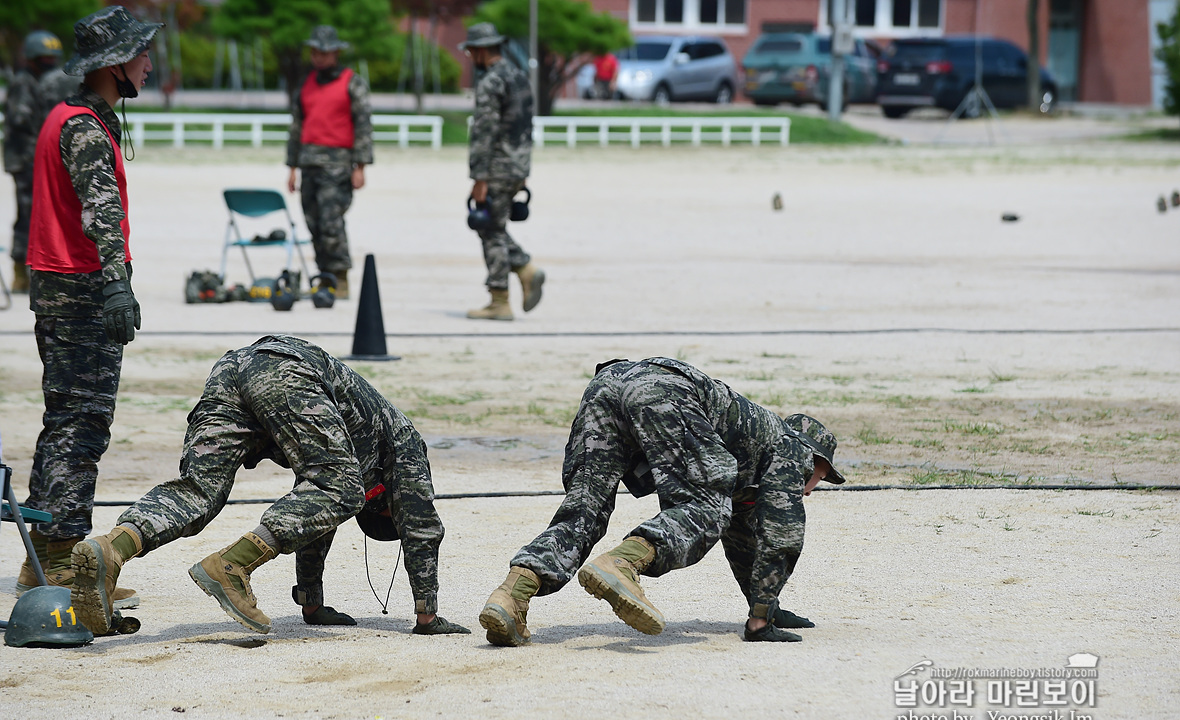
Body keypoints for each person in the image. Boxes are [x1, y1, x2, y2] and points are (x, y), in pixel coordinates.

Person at [70, 335, 470, 640]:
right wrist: (428, 614)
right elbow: (422, 528)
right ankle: (233, 564)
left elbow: (313, 515)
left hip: (232, 370)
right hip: (289, 370)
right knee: (342, 490)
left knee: (198, 490)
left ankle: (111, 547)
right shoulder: (404, 444)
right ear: (387, 509)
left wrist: (313, 606)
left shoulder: (351, 457)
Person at [479, 357, 845, 647]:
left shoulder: (753, 453)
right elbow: (783, 532)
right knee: (705, 506)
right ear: (814, 459)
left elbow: (742, 537)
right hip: (662, 389)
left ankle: (511, 596)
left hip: (608, 385)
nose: (812, 487)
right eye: (821, 475)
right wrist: (760, 623)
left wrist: (766, 605)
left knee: (584, 508)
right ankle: (621, 564)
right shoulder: (792, 446)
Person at [17, 7, 162, 612]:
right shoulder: (82, 126)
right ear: (113, 65)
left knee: (65, 422)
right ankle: (59, 561)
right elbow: (99, 210)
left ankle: (43, 557)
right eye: (141, 55)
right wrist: (115, 286)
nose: (149, 64)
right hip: (78, 289)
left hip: (60, 285)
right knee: (82, 426)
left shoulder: (69, 115)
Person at [459, 22, 544, 321]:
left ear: (482, 50)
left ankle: (501, 298)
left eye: (471, 51)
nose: (469, 56)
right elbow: (524, 127)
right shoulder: (519, 77)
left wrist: (479, 178)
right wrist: (523, 170)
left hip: (494, 168)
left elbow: (484, 132)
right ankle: (522, 270)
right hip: (516, 165)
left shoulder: (491, 81)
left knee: (489, 230)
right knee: (493, 226)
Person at [286, 25, 372, 300]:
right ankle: (324, 277)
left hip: (337, 164)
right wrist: (292, 168)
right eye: (314, 52)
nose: (318, 57)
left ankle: (340, 277)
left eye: (323, 52)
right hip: (308, 162)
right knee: (313, 223)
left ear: (335, 52)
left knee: (331, 222)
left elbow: (363, 126)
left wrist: (361, 166)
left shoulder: (352, 82)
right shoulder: (307, 83)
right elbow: (297, 126)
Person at [2, 30, 81, 295]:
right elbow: (22, 120)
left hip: (37, 159)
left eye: (53, 57)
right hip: (25, 161)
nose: (50, 61)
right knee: (27, 215)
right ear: (33, 58)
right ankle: (19, 273)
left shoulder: (46, 81)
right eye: (45, 57)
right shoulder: (24, 83)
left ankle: (35, 269)